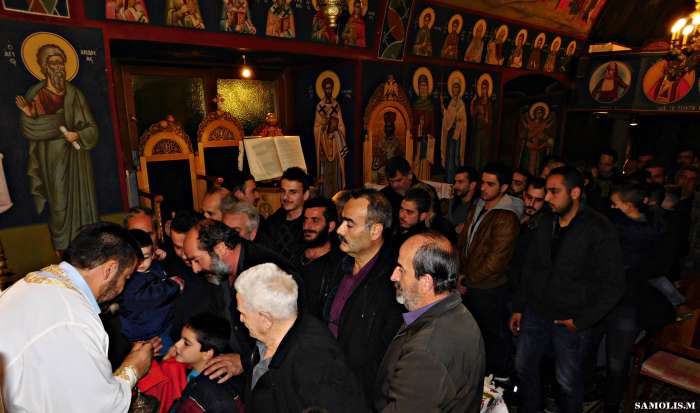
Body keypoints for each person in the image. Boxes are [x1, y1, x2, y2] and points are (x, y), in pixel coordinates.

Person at [0, 222, 155, 411]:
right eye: (126, 277)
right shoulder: (76, 320)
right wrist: (133, 368)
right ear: (109, 270)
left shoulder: (29, 283)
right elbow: (96, 406)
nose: (123, 287)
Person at [510, 166, 625, 413]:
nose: (547, 197)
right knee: (524, 368)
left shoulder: (598, 228)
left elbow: (614, 284)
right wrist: (519, 306)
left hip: (570, 319)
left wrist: (583, 320)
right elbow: (531, 267)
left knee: (567, 382)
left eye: (554, 192)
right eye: (547, 191)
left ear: (574, 193)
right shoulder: (546, 221)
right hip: (535, 311)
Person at [374, 232, 485, 412]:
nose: (393, 276)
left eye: (401, 269)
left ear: (426, 282)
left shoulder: (426, 353)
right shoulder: (455, 311)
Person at [236, 263, 368, 412]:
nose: (241, 319)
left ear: (266, 319)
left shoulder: (314, 362)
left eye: (243, 313)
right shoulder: (269, 338)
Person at [183, 220, 300, 384]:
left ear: (220, 248)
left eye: (196, 260)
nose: (195, 269)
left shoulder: (267, 271)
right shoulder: (221, 270)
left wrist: (245, 360)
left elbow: (289, 333)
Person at [595, 183, 675, 413]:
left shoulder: (623, 232)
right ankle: (609, 401)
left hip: (624, 303)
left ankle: (610, 403)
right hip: (626, 302)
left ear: (629, 206)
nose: (611, 207)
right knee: (615, 359)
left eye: (615, 204)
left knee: (615, 360)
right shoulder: (656, 226)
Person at [15, 43, 99, 251]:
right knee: (59, 204)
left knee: (82, 203)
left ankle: (87, 247)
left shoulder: (74, 94)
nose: (58, 67)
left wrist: (78, 134)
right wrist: (34, 117)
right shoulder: (36, 94)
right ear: (44, 67)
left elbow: (92, 128)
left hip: (78, 161)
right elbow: (30, 128)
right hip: (52, 159)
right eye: (53, 63)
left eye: (61, 62)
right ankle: (63, 249)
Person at [328, 189, 403, 397]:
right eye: (342, 221)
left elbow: (386, 353)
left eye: (349, 224)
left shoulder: (393, 282)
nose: (339, 230)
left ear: (375, 230)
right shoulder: (336, 265)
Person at [458, 162, 521, 379]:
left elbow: (497, 260)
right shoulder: (479, 205)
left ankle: (498, 379)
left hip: (489, 288)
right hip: (470, 282)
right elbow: (465, 242)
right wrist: (460, 273)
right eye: (482, 182)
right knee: (474, 335)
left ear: (503, 188)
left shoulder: (506, 216)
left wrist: (467, 279)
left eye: (490, 184)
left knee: (491, 336)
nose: (483, 188)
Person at [119, 229, 183, 348]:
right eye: (136, 258)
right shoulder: (129, 279)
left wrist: (161, 257)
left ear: (153, 254)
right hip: (145, 333)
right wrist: (174, 285)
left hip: (160, 324)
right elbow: (150, 297)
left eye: (145, 257)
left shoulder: (152, 265)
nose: (140, 263)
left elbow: (159, 272)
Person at [168, 313, 241, 413]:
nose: (177, 344)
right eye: (180, 339)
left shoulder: (212, 392)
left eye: (186, 343)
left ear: (207, 353)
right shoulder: (192, 368)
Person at [295, 197, 346, 318]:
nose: (307, 226)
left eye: (315, 220)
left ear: (331, 226)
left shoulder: (340, 265)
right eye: (305, 220)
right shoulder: (293, 257)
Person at [260, 167, 310, 256]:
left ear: (305, 195)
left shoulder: (311, 225)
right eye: (283, 191)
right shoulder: (272, 222)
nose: (285, 197)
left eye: (292, 192)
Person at [314, 77, 348, 196]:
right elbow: (316, 127)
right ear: (323, 89)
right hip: (324, 143)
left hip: (335, 144)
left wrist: (336, 131)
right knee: (325, 172)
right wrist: (323, 129)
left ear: (333, 89)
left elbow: (341, 126)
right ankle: (325, 196)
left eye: (330, 88)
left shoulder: (336, 105)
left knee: (336, 172)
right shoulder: (320, 106)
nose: (328, 90)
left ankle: (337, 196)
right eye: (326, 88)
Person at [380, 156, 438, 225]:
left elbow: (435, 222)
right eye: (391, 181)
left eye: (399, 180)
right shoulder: (383, 195)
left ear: (410, 175)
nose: (394, 185)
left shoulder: (427, 191)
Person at [440, 79, 468, 182]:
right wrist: (442, 105)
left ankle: (456, 179)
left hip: (457, 135)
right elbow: (447, 117)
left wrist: (457, 120)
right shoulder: (451, 103)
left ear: (459, 89)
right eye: (453, 87)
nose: (455, 89)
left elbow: (464, 121)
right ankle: (449, 178)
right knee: (449, 156)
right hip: (450, 133)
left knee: (456, 157)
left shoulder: (461, 104)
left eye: (456, 87)